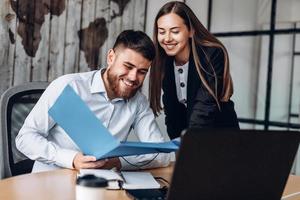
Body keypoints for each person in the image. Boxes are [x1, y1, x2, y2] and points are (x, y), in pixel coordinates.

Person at [16, 30, 171, 172]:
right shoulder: (68, 87)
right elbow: (25, 138)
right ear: (111, 57)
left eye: (142, 72)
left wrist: (119, 162)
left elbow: (161, 155)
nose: (133, 77)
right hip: (51, 181)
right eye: (128, 66)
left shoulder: (138, 102)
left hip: (101, 186)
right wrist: (71, 159)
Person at [149, 1, 239, 139]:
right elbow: (172, 113)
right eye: (162, 32)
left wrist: (188, 146)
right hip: (190, 140)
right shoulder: (164, 61)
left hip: (222, 139)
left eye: (175, 31)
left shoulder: (212, 54)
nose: (167, 38)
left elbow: (204, 108)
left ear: (191, 31)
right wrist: (177, 147)